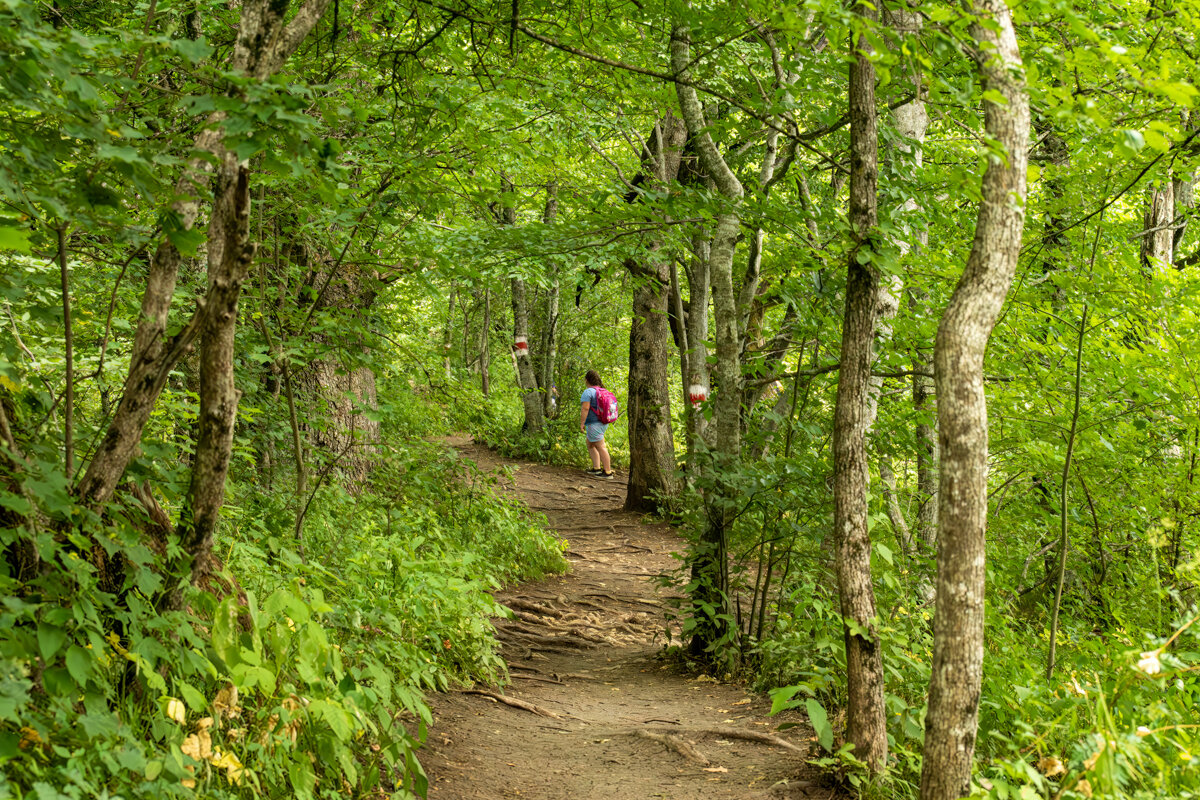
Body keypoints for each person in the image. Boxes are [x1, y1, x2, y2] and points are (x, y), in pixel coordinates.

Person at [580, 370, 613, 478]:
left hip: (594, 423)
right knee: (590, 444)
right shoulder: (603, 390)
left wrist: (582, 423)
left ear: (587, 380)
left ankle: (608, 472)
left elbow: (585, 408)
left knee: (600, 446)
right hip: (603, 422)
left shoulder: (588, 392)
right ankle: (596, 468)